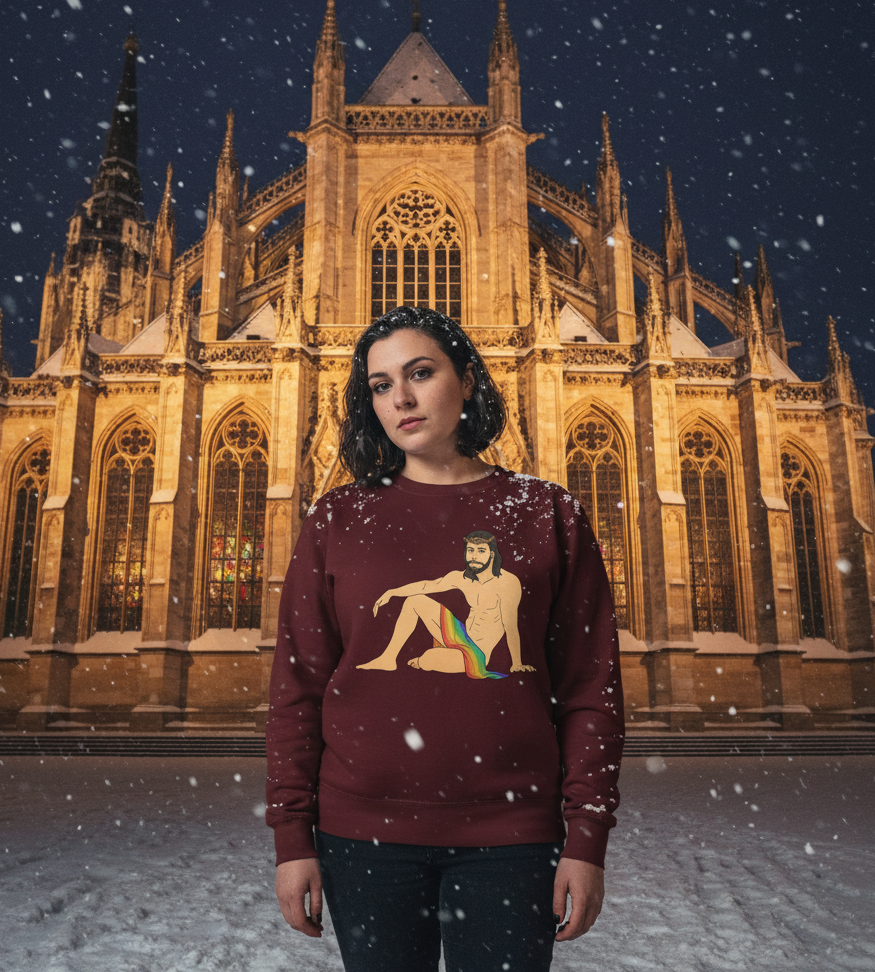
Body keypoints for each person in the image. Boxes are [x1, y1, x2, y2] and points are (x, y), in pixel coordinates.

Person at [266, 306, 624, 972]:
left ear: (466, 378)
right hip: (362, 835)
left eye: (420, 373)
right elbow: (299, 689)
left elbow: (589, 689)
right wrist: (292, 837)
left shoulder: (546, 512)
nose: (399, 397)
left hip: (513, 835)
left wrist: (586, 837)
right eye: (378, 385)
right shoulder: (339, 517)